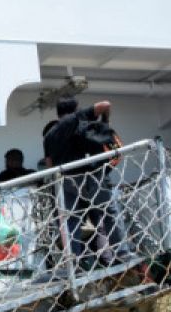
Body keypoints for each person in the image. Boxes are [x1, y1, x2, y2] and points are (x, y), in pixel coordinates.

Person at [43, 98, 130, 268]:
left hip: (66, 180)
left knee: (70, 222)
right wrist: (105, 122)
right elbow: (105, 104)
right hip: (90, 176)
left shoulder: (49, 135)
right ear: (75, 109)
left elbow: (49, 163)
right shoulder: (75, 120)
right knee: (109, 214)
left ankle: (73, 262)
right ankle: (122, 253)